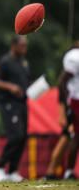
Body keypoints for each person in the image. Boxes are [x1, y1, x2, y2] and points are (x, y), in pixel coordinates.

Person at [0, 35, 30, 182]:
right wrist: (10, 87)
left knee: (23, 137)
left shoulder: (24, 63)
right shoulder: (5, 61)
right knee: (15, 136)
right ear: (14, 45)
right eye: (22, 46)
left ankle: (13, 170)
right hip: (8, 104)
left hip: (22, 104)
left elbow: (25, 82)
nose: (24, 49)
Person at [57, 40, 79, 180]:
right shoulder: (75, 56)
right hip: (76, 100)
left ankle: (69, 171)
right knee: (76, 137)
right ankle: (69, 171)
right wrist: (66, 106)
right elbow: (62, 82)